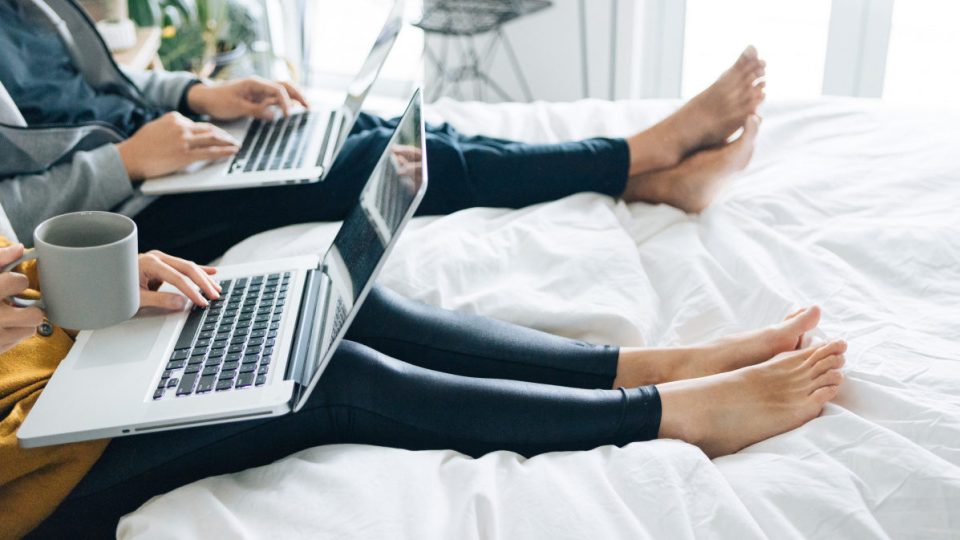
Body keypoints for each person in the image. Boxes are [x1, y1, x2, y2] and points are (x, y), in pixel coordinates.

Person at [0, 235, 845, 537]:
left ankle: (646, 366)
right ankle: (667, 413)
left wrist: (59, 280)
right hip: (31, 467)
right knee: (331, 376)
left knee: (329, 303)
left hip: (53, 350)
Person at [0, 0, 765, 263]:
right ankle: (643, 155)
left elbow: (101, 88)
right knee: (378, 155)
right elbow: (12, 218)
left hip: (171, 151)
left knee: (356, 125)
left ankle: (643, 174)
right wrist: (129, 164)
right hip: (130, 217)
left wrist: (201, 91)